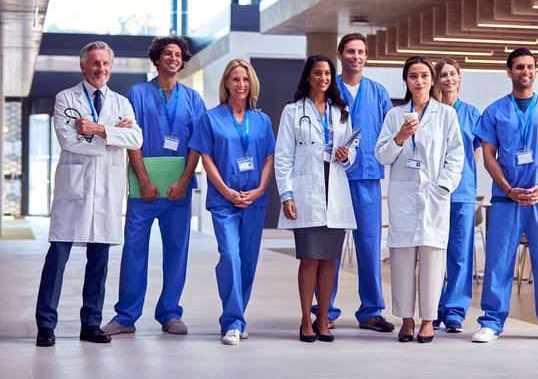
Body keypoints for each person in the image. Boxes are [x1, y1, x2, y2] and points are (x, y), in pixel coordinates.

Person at [35, 41, 143, 347]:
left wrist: (97, 128)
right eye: (96, 64)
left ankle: (91, 323)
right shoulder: (65, 98)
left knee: (99, 261)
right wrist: (112, 134)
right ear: (84, 67)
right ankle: (45, 325)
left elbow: (136, 137)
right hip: (74, 191)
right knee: (57, 259)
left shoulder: (121, 102)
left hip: (105, 193)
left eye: (106, 64)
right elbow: (69, 141)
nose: (102, 69)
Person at [102, 36, 206, 336]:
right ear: (157, 59)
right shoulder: (137, 94)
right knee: (134, 250)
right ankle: (125, 316)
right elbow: (131, 140)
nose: (173, 58)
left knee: (177, 251)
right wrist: (144, 181)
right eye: (167, 54)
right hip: (143, 189)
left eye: (178, 54)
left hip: (178, 189)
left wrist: (184, 181)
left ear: (182, 61)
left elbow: (197, 145)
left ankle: (170, 313)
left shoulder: (193, 99)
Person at [472, 48, 538, 344]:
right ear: (509, 72)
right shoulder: (494, 111)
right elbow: (488, 156)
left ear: (536, 71)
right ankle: (491, 321)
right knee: (498, 261)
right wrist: (507, 188)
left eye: (530, 67)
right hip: (507, 199)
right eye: (519, 67)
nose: (525, 71)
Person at [375, 55, 464, 343]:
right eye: (413, 76)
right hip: (403, 196)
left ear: (432, 80)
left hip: (434, 197)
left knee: (432, 260)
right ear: (406, 81)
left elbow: (456, 157)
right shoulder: (394, 116)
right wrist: (400, 137)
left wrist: (443, 188)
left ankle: (428, 319)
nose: (419, 81)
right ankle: (407, 320)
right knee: (401, 260)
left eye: (424, 75)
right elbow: (382, 155)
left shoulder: (446, 115)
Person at [312, 33, 395, 332]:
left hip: (368, 178)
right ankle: (324, 311)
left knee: (370, 246)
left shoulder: (379, 92)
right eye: (350, 51)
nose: (355, 56)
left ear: (367, 56)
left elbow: (389, 135)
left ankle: (371, 311)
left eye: (361, 51)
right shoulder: (327, 88)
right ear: (339, 54)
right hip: (332, 176)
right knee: (330, 247)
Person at [189, 59, 275, 345]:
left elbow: (268, 158)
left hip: (253, 200)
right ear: (226, 83)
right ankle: (233, 322)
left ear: (252, 84)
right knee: (230, 256)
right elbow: (207, 158)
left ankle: (236, 316)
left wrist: (261, 189)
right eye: (235, 79)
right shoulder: (210, 118)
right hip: (224, 200)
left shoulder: (262, 120)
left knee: (247, 262)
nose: (240, 84)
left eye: (245, 79)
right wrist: (225, 191)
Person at [275, 54, 357, 343]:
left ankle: (323, 320)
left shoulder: (341, 111)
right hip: (306, 188)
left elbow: (351, 148)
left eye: (327, 73)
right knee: (309, 258)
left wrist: (347, 156)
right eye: (317, 73)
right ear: (308, 76)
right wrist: (287, 194)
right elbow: (283, 155)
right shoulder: (293, 111)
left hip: (333, 184)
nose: (323, 78)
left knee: (329, 261)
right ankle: (305, 320)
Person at [433, 58, 482, 333]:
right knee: (434, 252)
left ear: (460, 78)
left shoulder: (472, 113)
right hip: (434, 193)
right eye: (443, 75)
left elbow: (477, 149)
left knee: (460, 254)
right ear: (437, 80)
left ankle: (454, 312)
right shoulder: (432, 113)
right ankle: (434, 307)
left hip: (462, 192)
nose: (448, 79)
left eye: (453, 74)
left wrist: (464, 173)